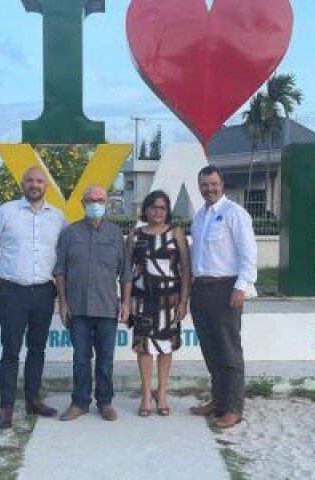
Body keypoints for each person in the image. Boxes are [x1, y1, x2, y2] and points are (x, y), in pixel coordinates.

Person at [0, 166, 67, 430]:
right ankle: (6, 408)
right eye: (30, 180)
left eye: (40, 180)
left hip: (44, 291)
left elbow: (63, 252)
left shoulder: (58, 218)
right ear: (22, 182)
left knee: (37, 349)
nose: (34, 184)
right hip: (12, 291)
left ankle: (33, 400)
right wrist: (3, 271)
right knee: (11, 351)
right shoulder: (5, 212)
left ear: (46, 186)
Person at [54, 185, 132, 422]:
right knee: (80, 358)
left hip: (108, 307)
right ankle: (79, 402)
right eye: (90, 200)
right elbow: (60, 271)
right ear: (82, 203)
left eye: (100, 200)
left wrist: (126, 303)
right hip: (78, 308)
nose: (95, 204)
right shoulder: (70, 233)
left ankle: (105, 402)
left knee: (106, 358)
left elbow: (126, 273)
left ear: (107, 204)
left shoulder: (115, 234)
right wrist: (63, 303)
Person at [189, 165, 257, 429]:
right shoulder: (200, 216)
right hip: (201, 289)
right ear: (200, 187)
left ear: (222, 184)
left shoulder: (235, 214)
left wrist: (241, 286)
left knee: (229, 350)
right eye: (205, 185)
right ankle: (217, 400)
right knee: (210, 349)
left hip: (226, 289)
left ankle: (234, 408)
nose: (210, 189)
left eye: (214, 184)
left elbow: (248, 254)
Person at [126, 190, 190, 417]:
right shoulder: (135, 235)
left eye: (162, 207)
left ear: (167, 210)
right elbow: (127, 272)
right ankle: (145, 395)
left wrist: (184, 300)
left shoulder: (176, 233)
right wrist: (126, 302)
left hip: (169, 300)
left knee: (165, 347)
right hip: (142, 299)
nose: (158, 211)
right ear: (146, 209)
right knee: (144, 348)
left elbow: (185, 269)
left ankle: (161, 394)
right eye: (153, 207)